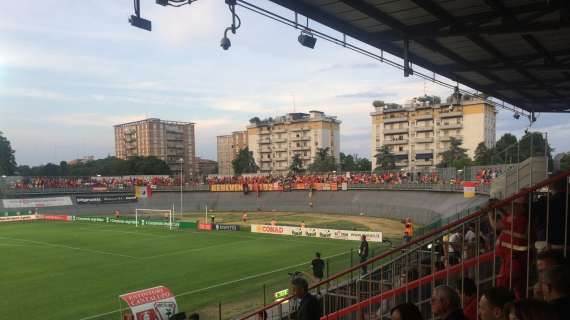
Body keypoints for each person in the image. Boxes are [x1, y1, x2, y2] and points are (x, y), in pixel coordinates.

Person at [488, 197, 528, 299]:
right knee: (508, 287)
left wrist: (493, 209)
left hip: (514, 260)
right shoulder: (514, 217)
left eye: (516, 202)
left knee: (510, 289)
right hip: (508, 260)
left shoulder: (521, 219)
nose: (512, 204)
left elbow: (497, 225)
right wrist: (491, 212)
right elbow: (497, 225)